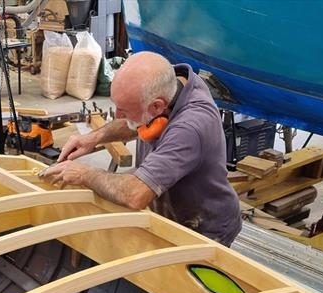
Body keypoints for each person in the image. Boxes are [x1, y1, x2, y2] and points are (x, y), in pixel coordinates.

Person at [43, 51, 242, 246]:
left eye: (124, 110)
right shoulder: (168, 83)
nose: (118, 115)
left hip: (203, 227)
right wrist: (94, 137)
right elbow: (135, 121)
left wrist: (83, 173)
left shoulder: (189, 128)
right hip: (170, 211)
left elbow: (136, 194)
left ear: (157, 106)